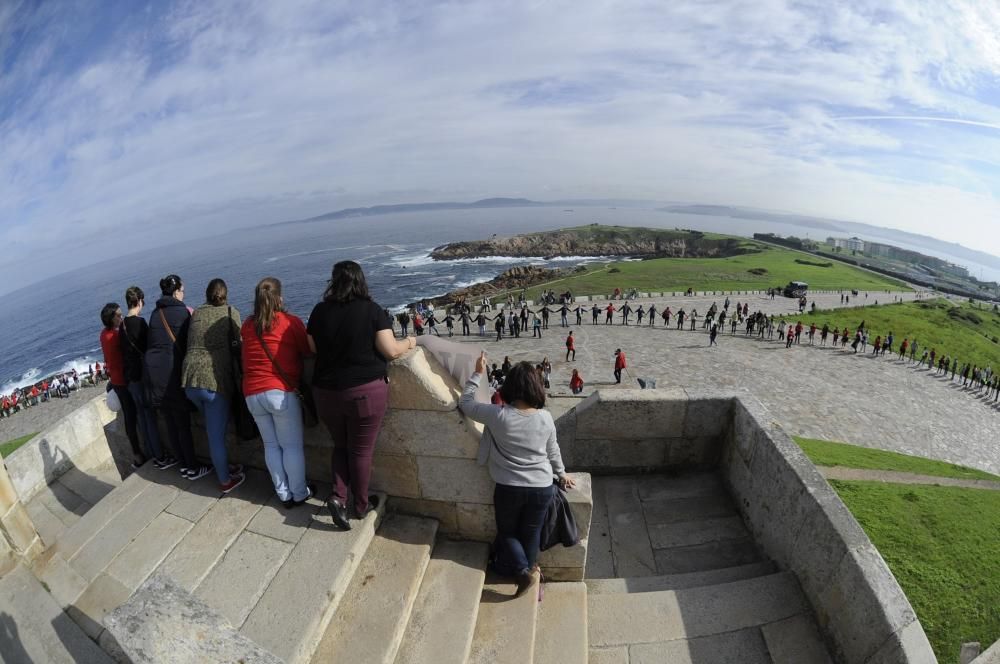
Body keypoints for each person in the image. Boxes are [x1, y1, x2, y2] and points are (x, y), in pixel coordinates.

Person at [309, 261, 414, 530]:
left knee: (341, 446)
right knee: (361, 451)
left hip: (326, 392)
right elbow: (390, 350)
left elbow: (312, 347)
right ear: (360, 281)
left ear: (334, 282)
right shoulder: (371, 311)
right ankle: (360, 505)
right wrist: (411, 342)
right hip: (363, 393)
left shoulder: (319, 311)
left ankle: (338, 496)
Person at [459, 354, 575, 597]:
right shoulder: (545, 417)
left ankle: (524, 572)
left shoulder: (498, 415)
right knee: (530, 533)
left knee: (507, 532)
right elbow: (553, 450)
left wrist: (478, 372)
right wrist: (562, 474)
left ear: (509, 387)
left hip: (509, 486)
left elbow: (466, 403)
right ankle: (530, 571)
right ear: (536, 387)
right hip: (542, 487)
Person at [243, 277, 314, 507]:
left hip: (252, 394)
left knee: (271, 446)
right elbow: (306, 351)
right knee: (291, 446)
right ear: (279, 297)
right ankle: (299, 493)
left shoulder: (247, 325)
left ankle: (283, 494)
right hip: (279, 392)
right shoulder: (290, 322)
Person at [181, 279, 245, 493]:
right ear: (225, 294)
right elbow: (239, 343)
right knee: (215, 435)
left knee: (213, 428)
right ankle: (226, 481)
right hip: (213, 381)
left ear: (207, 295)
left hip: (189, 380)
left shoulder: (197, 313)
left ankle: (224, 465)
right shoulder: (229, 312)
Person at [146, 274, 209, 479]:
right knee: (182, 423)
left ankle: (183, 464)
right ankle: (192, 467)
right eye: (182, 290)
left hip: (156, 374)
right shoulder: (182, 312)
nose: (184, 294)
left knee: (171, 423)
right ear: (176, 292)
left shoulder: (155, 314)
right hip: (174, 373)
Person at [121, 286, 171, 468]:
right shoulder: (140, 323)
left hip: (130, 379)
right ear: (139, 301)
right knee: (149, 418)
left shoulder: (122, 325)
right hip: (142, 376)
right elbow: (150, 346)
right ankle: (160, 456)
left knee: (142, 419)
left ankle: (152, 454)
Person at [99, 303, 146, 468]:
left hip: (116, 380)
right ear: (111, 319)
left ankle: (137, 454)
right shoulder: (116, 336)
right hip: (123, 380)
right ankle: (137, 454)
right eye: (118, 315)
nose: (122, 317)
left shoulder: (104, 335)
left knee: (129, 416)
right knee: (131, 417)